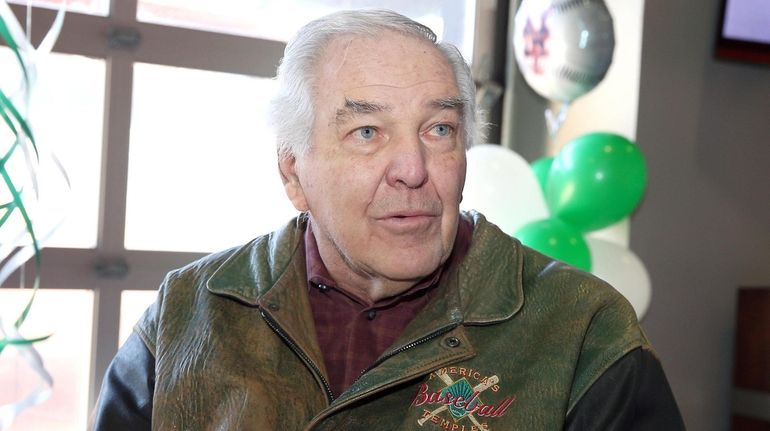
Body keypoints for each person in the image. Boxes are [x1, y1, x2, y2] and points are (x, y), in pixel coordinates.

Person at [91, 9, 685, 430]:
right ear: (293, 173)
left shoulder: (586, 331)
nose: (412, 168)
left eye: (439, 129)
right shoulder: (186, 314)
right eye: (367, 131)